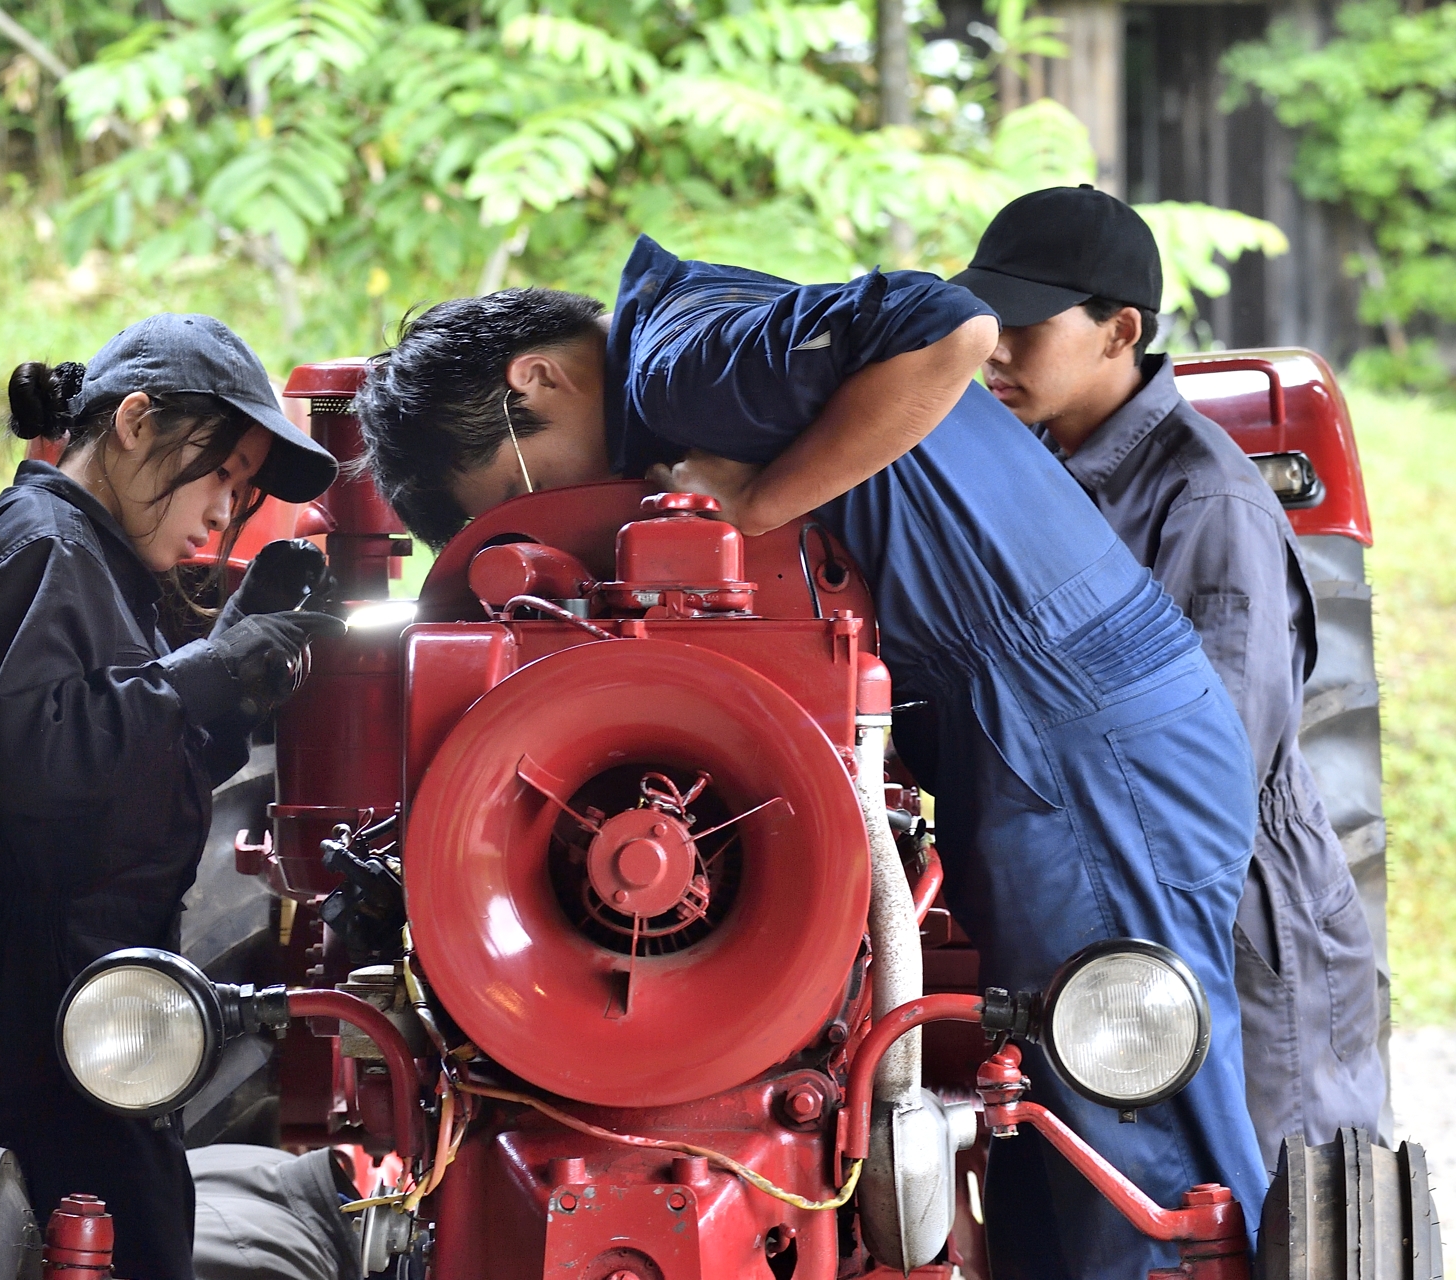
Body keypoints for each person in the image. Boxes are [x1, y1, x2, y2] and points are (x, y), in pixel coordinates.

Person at [353, 239, 1268, 1280]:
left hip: (1076, 725)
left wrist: (749, 508)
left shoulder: (678, 353)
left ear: (538, 377)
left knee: (1134, 1123)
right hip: (1034, 719)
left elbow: (948, 325)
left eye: (523, 483)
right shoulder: (688, 358)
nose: (561, 504)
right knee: (1049, 1118)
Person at [957, 185, 1386, 1164]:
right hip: (1103, 900)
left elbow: (1206, 775)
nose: (994, 350)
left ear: (1121, 331)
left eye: (1025, 326)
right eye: (988, 323)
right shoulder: (1036, 468)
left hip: (1222, 913)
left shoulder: (1207, 502)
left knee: (1245, 1217)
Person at [0, 313, 342, 1280]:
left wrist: (236, 643)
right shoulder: (44, 541)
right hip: (38, 988)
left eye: (244, 492)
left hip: (87, 981)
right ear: (137, 421)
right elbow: (40, 764)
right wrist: (202, 671)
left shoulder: (90, 554)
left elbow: (125, 759)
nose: (224, 516)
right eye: (220, 475)